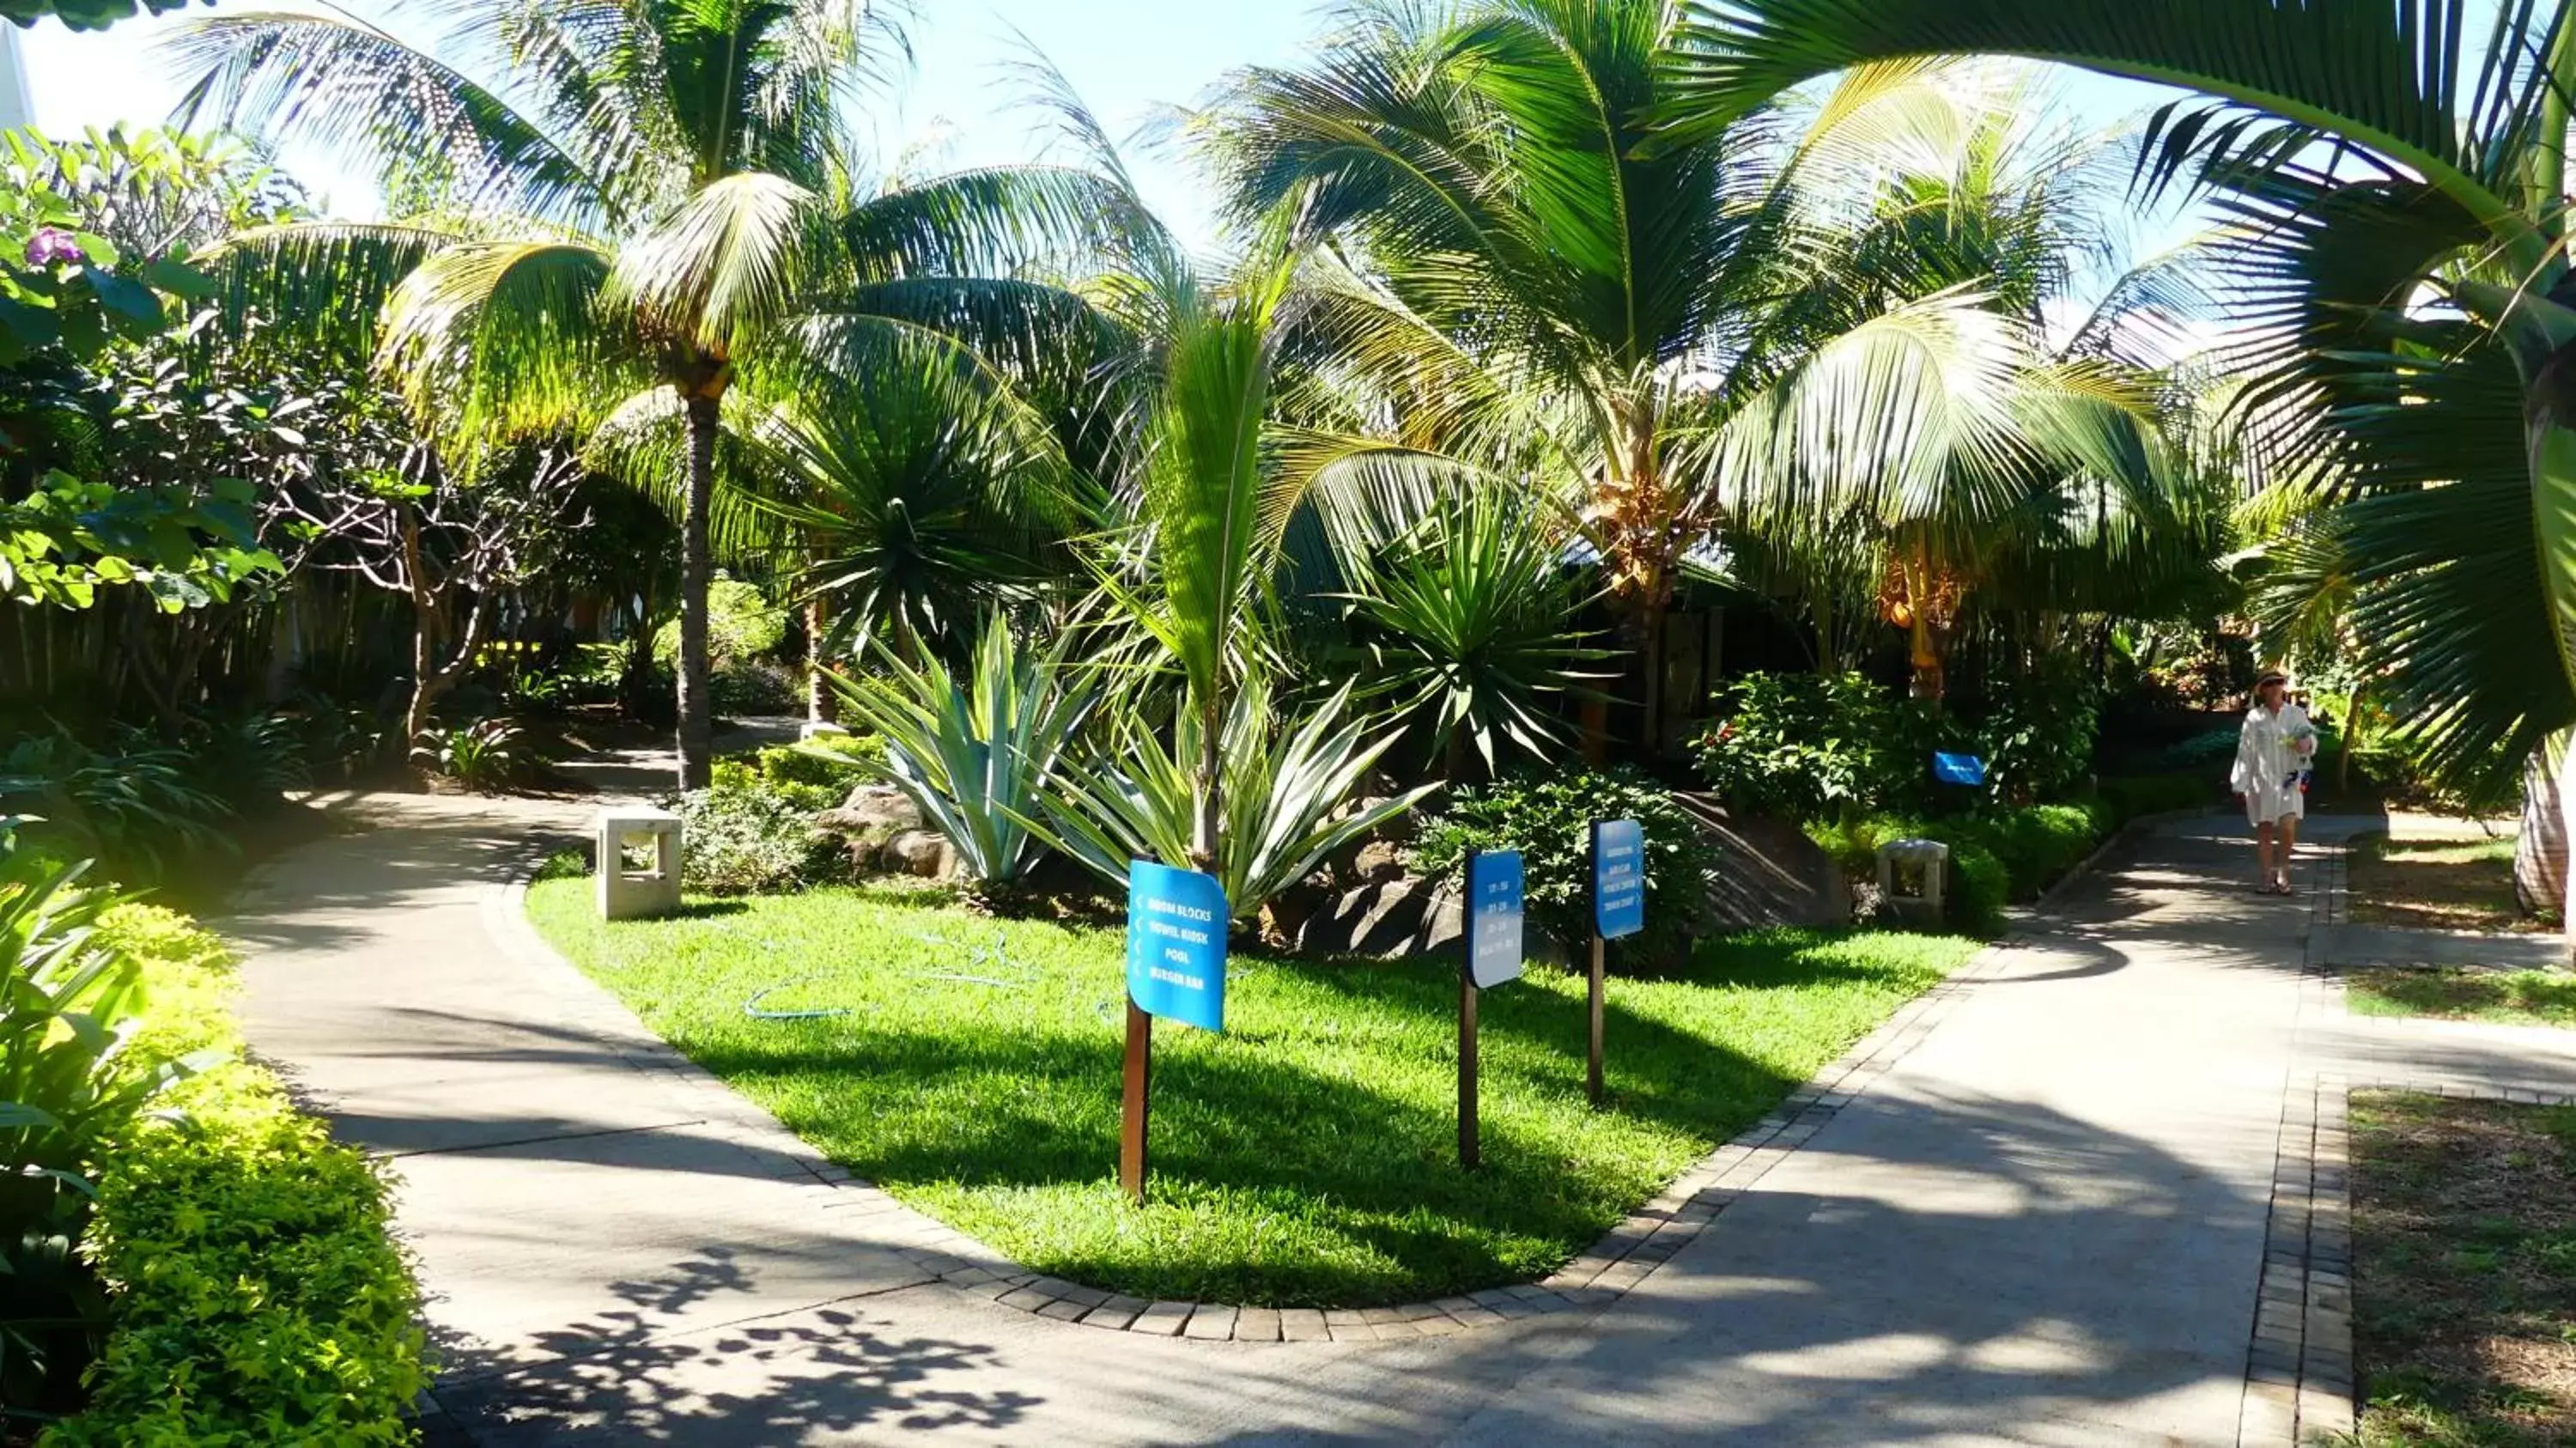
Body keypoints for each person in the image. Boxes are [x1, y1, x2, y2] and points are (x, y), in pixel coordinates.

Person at [2231, 669, 2317, 895]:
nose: (2276, 686)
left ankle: (2283, 871)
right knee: (2266, 829)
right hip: (2262, 781)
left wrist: (2306, 745)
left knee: (2288, 827)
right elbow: (2245, 750)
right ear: (2263, 690)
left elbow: (2310, 740)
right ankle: (2267, 875)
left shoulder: (2296, 714)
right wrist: (2239, 783)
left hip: (2289, 778)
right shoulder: (2254, 718)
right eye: (2270, 683)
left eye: (2279, 682)